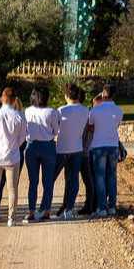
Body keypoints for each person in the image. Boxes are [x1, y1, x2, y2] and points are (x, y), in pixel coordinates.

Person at [0, 87, 30, 227]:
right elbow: (23, 138)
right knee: (12, 189)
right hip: (12, 156)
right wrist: (13, 146)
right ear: (14, 100)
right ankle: (11, 218)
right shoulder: (19, 117)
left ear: (1, 99)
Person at [54, 82, 92, 219]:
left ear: (66, 96)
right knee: (73, 180)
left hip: (61, 149)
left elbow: (55, 129)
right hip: (77, 149)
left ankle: (46, 207)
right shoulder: (86, 110)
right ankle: (69, 208)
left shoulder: (61, 110)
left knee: (50, 178)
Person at [22, 88, 60, 222]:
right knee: (48, 181)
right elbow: (56, 131)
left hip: (32, 146)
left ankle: (31, 210)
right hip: (48, 146)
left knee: (33, 181)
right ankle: (47, 210)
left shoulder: (27, 111)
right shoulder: (52, 112)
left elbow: (24, 129)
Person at [86, 86, 124, 218]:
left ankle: (101, 207)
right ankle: (112, 206)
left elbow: (90, 127)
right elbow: (116, 125)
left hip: (98, 146)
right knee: (112, 176)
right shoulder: (119, 110)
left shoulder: (95, 110)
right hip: (113, 145)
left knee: (100, 177)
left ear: (103, 93)